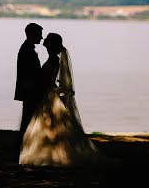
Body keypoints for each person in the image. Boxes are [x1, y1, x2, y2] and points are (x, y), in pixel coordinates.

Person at [19, 32, 104, 167]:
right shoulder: (52, 58)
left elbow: (48, 80)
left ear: (51, 44)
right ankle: (49, 152)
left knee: (50, 126)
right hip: (48, 94)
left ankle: (50, 154)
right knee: (50, 127)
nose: (44, 41)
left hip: (48, 95)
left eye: (47, 40)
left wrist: (38, 84)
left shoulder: (53, 60)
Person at [14, 22, 45, 151]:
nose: (41, 38)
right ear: (32, 34)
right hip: (30, 91)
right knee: (28, 121)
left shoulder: (27, 48)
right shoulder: (27, 50)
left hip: (30, 91)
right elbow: (30, 74)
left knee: (29, 120)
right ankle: (23, 147)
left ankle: (25, 146)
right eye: (39, 34)